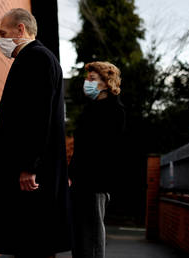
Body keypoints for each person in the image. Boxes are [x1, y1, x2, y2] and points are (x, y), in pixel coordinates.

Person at [0, 8, 72, 258]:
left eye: (3, 33)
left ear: (21, 30)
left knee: (32, 243)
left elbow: (38, 117)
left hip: (31, 176)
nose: (0, 40)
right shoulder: (39, 58)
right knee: (33, 242)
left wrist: (29, 166)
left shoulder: (36, 58)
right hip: (34, 172)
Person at [68, 61, 125, 258]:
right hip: (81, 183)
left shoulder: (114, 112)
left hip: (96, 183)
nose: (87, 82)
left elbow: (107, 152)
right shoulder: (90, 109)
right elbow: (82, 149)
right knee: (80, 236)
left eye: (92, 79)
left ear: (106, 83)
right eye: (87, 78)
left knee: (91, 236)